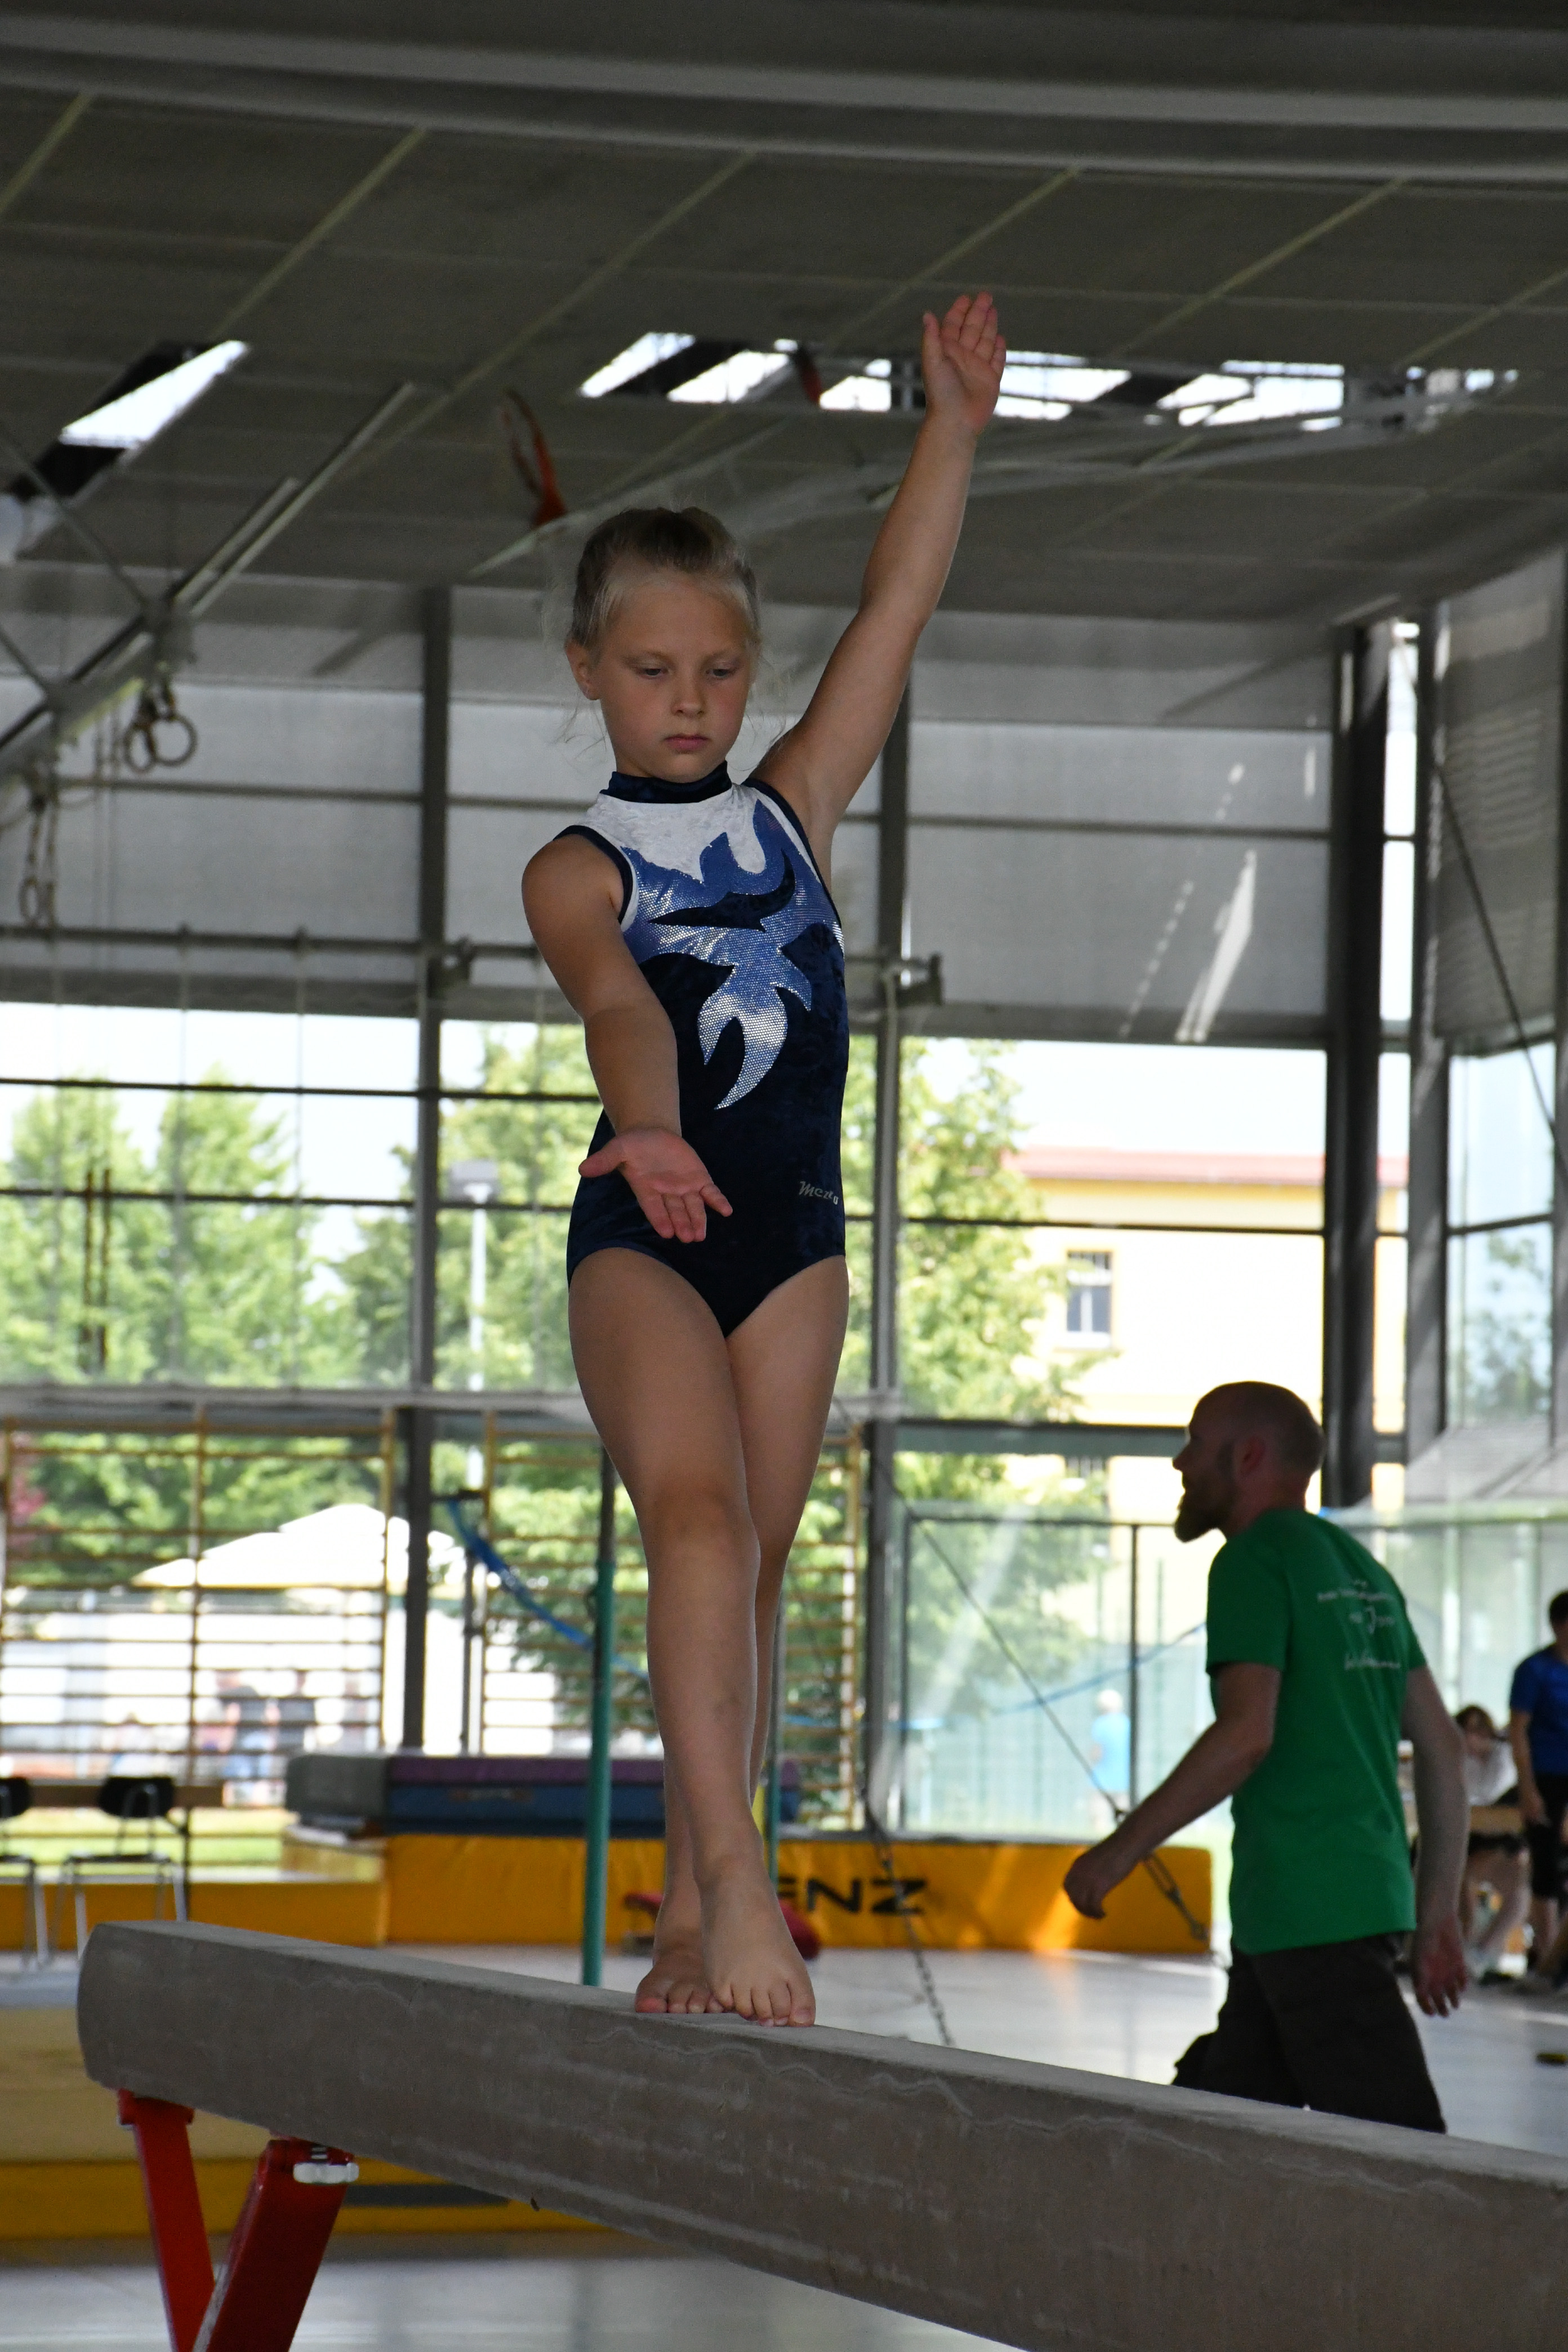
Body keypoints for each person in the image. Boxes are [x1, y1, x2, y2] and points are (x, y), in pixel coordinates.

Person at [523, 294, 1006, 2026]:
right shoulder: (578, 863)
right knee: (699, 1523)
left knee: (748, 1576)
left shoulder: (792, 811)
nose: (689, 700)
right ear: (589, 669)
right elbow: (619, 1004)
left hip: (791, 1236)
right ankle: (739, 1887)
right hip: (645, 1231)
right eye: (652, 671)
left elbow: (894, 612)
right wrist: (650, 1133)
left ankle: (684, 1910)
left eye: (718, 670)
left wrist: (950, 431)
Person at [1064, 1380, 1468, 2133]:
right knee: (1220, 2120)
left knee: (1407, 2160)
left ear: (1248, 1457)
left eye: (1195, 1443)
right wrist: (1436, 1909)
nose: (1181, 1463)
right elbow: (1443, 1748)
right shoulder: (1361, 1573)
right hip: (1347, 1903)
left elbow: (1246, 1735)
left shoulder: (1251, 1562)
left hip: (1308, 1911)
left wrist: (1118, 1854)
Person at [1507, 1593, 1568, 1970]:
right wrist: (1527, 1788)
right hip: (1546, 1775)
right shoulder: (1534, 1670)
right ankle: (1546, 1958)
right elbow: (1518, 1729)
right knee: (1546, 1865)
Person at [1454, 1703, 1526, 1980]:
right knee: (1462, 1877)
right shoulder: (1460, 1761)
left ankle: (1482, 1950)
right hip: (1474, 1840)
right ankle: (1463, 1946)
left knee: (1523, 1888)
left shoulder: (1505, 1757)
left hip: (1505, 1842)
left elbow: (1492, 1799)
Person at [1088, 1689, 1131, 1825]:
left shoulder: (1101, 1724)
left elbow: (1097, 1753)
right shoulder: (1127, 1723)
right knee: (1124, 1816)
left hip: (1103, 1778)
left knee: (1099, 1815)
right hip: (1124, 1778)